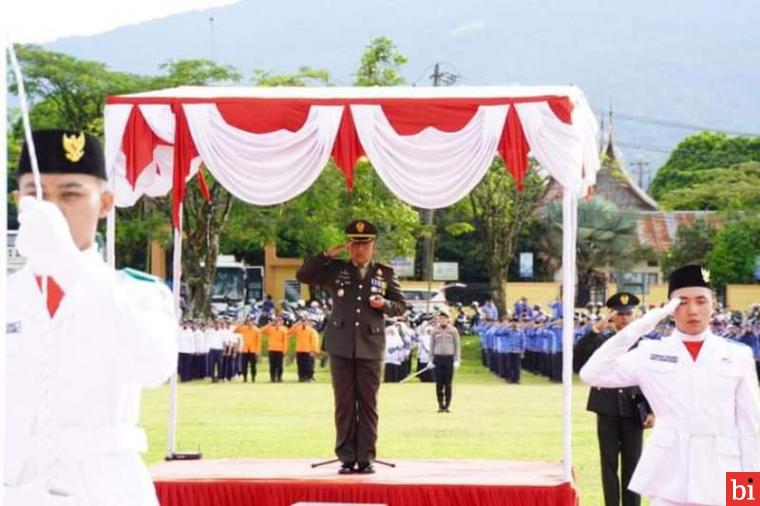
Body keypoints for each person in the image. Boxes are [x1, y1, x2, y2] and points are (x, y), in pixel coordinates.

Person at [6, 130, 177, 505]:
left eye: (70, 194)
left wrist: (70, 266)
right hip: (16, 484)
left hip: (104, 485)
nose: (50, 210)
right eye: (36, 195)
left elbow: (153, 365)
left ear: (104, 203)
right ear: (18, 202)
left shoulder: (138, 294)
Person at [580, 265, 760, 506]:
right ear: (669, 307)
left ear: (713, 303)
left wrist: (746, 497)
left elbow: (750, 428)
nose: (693, 310)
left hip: (720, 472)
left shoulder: (737, 355)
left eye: (701, 301)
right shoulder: (651, 353)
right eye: (682, 302)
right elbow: (592, 374)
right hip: (669, 476)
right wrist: (644, 323)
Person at [296, 219, 406, 475]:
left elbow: (401, 306)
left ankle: (366, 457)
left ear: (373, 245)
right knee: (344, 403)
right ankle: (346, 457)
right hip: (341, 344)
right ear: (348, 246)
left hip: (370, 344)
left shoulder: (385, 273)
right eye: (355, 244)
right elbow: (303, 276)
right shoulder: (336, 269)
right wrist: (326, 255)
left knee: (368, 404)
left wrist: (385, 306)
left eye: (364, 244)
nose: (359, 250)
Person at [574, 292, 653, 506]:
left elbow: (652, 379)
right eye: (620, 314)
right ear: (612, 316)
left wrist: (651, 409)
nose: (624, 318)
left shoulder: (644, 344)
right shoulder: (602, 341)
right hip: (606, 406)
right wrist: (595, 329)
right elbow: (578, 356)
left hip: (633, 408)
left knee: (633, 463)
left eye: (628, 314)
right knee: (608, 462)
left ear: (635, 315)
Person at [430, 307, 461, 413]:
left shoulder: (453, 330)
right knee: (439, 383)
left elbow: (457, 346)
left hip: (449, 358)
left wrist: (457, 359)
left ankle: (447, 405)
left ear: (448, 319)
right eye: (440, 318)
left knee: (448, 383)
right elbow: (432, 346)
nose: (442, 320)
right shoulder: (435, 331)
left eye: (444, 318)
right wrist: (430, 360)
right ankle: (440, 404)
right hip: (438, 358)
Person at [290, 315, 320, 382]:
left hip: (307, 350)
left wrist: (313, 350)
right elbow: (290, 332)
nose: (304, 322)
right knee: (300, 365)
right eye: (302, 321)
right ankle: (301, 377)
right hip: (299, 349)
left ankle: (307, 377)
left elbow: (313, 342)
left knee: (307, 365)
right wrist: (297, 323)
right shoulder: (298, 328)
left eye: (305, 321)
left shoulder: (311, 330)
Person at [262, 315, 288, 382]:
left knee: (279, 365)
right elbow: (261, 330)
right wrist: (270, 324)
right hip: (272, 349)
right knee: (272, 365)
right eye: (276, 321)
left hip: (280, 350)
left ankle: (279, 378)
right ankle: (272, 378)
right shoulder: (270, 329)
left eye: (279, 321)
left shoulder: (284, 329)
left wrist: (285, 350)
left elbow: (285, 341)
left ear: (282, 322)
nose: (277, 322)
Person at [236, 317, 262, 382]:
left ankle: (253, 378)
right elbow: (235, 330)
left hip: (253, 350)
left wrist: (258, 351)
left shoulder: (257, 330)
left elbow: (258, 342)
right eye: (248, 321)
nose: (249, 323)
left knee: (253, 365)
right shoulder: (243, 328)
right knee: (244, 365)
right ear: (246, 322)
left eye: (251, 321)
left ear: (253, 322)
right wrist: (242, 323)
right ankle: (245, 378)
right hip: (245, 350)